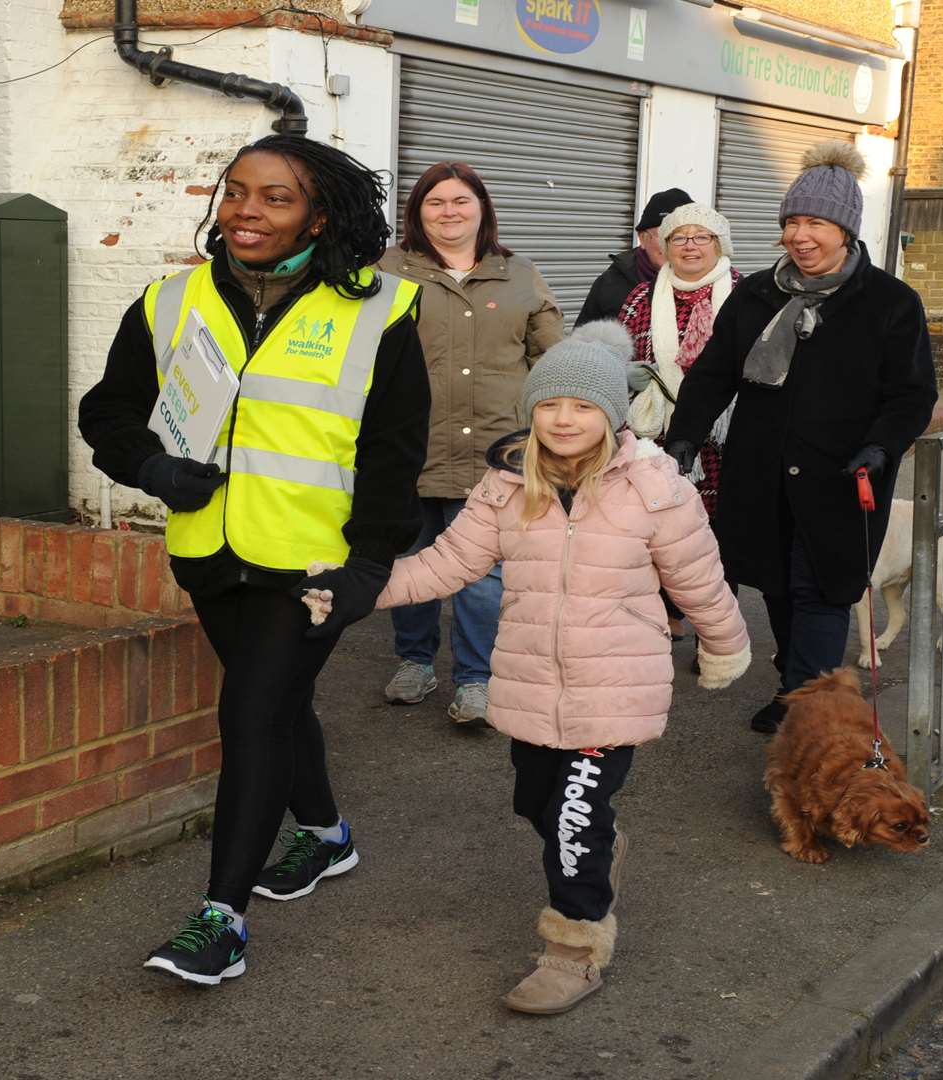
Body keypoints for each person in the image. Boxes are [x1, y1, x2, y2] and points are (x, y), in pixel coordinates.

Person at [300, 321, 750, 1014]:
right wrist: (358, 589)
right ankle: (599, 843)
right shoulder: (506, 488)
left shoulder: (657, 488)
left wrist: (724, 643)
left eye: (581, 406)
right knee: (535, 803)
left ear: (610, 414)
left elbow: (699, 580)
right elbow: (447, 563)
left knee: (572, 820)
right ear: (531, 412)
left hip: (613, 687)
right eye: (549, 405)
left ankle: (574, 952)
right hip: (532, 682)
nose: (563, 419)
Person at [76, 134, 430, 985]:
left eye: (276, 197)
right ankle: (328, 837)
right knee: (276, 709)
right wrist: (152, 467)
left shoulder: (379, 309)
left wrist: (370, 567)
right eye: (236, 191)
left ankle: (221, 920)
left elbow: (393, 450)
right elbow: (107, 412)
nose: (247, 210)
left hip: (312, 564)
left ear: (320, 212)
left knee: (249, 716)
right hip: (210, 553)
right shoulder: (168, 301)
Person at [664, 141, 938, 734]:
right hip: (761, 473)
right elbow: (714, 373)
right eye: (791, 222)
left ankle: (811, 711)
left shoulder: (890, 303)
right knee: (781, 590)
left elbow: (913, 394)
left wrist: (881, 445)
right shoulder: (758, 293)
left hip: (842, 476)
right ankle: (795, 685)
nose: (800, 235)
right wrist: (684, 435)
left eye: (815, 222)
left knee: (822, 591)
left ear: (845, 230)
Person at [377, 161, 564, 723]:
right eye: (436, 202)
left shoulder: (520, 276)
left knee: (483, 576)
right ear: (417, 213)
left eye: (461, 201)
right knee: (408, 561)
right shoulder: (386, 272)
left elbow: (552, 362)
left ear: (482, 210)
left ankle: (476, 678)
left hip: (495, 453)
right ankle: (415, 661)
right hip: (409, 450)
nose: (449, 212)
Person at [615, 203, 741, 643]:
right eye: (679, 238)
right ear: (663, 247)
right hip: (658, 431)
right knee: (657, 528)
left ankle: (717, 626)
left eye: (701, 237)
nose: (690, 246)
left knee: (718, 534)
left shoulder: (746, 293)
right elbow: (618, 354)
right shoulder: (640, 296)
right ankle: (662, 614)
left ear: (718, 244)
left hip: (728, 437)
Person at [574, 187, 693, 327]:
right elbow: (583, 341)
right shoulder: (611, 284)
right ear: (643, 238)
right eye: (663, 236)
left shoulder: (717, 284)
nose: (673, 245)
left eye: (682, 237)